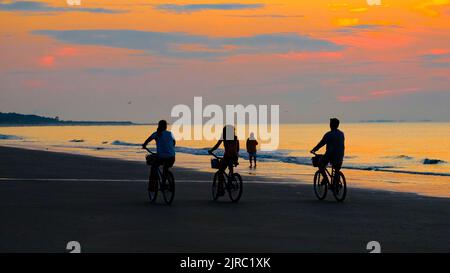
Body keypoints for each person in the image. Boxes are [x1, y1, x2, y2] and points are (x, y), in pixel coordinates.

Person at [142, 120, 176, 189]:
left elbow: (148, 140)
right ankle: (164, 183)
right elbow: (174, 143)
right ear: (166, 126)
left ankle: (153, 186)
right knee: (165, 168)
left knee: (154, 167)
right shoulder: (170, 134)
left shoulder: (156, 134)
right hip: (172, 157)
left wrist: (144, 145)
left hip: (161, 157)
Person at [310, 118, 345, 184]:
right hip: (340, 156)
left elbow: (321, 143)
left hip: (330, 155)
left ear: (331, 125)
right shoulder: (341, 134)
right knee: (337, 169)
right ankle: (336, 184)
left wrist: (314, 150)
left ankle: (326, 179)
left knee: (321, 164)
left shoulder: (329, 134)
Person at [208, 125, 240, 195]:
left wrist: (211, 150)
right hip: (234, 157)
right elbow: (237, 149)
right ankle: (231, 180)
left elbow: (217, 145)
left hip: (227, 157)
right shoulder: (235, 138)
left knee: (220, 171)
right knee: (230, 170)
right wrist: (236, 157)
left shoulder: (224, 137)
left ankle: (221, 189)